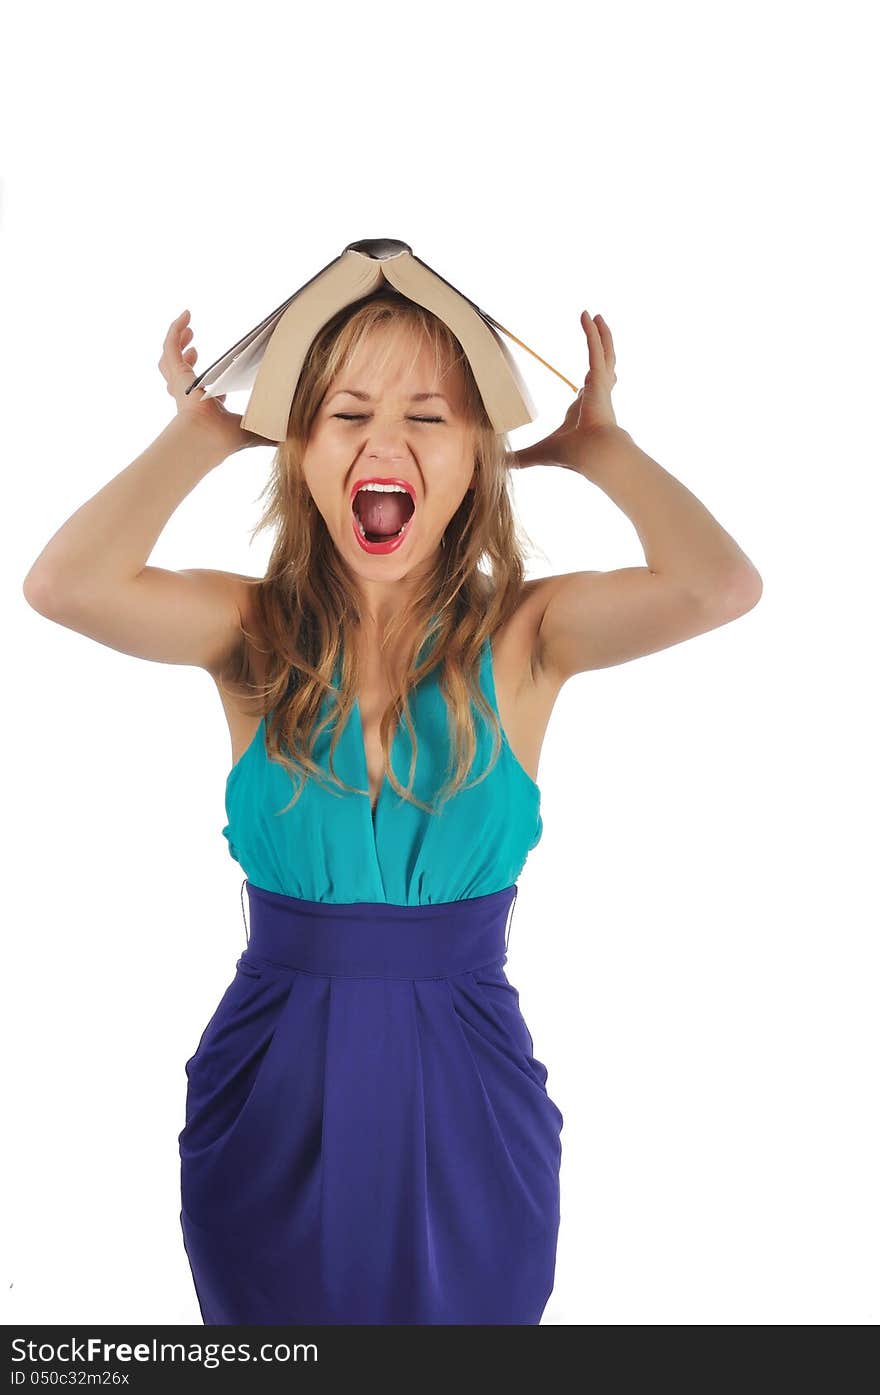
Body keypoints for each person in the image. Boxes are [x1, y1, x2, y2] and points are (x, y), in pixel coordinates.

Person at [22, 286, 762, 1325]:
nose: (386, 441)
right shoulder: (249, 632)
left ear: (474, 458)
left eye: (427, 416)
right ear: (301, 451)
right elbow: (64, 587)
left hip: (465, 1098)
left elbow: (718, 588)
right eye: (345, 413)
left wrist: (605, 450)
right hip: (271, 1099)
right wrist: (197, 436)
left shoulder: (530, 635)